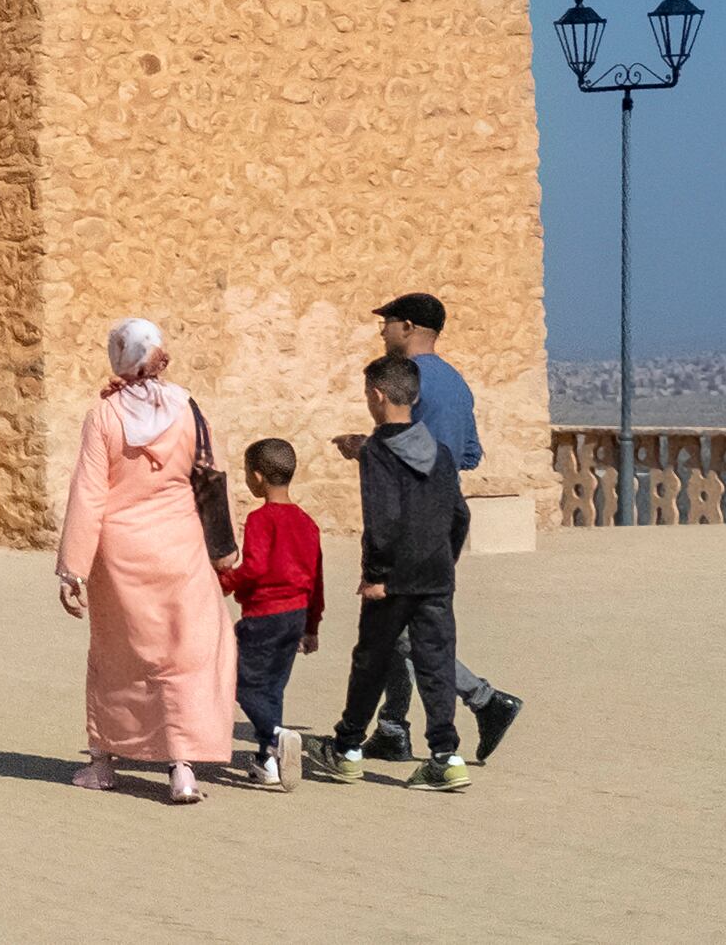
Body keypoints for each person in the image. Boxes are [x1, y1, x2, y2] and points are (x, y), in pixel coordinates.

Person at [54, 316, 239, 805]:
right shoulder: (187, 408)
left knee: (118, 659)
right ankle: (183, 770)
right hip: (181, 547)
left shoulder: (105, 415)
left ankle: (104, 764)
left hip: (121, 554)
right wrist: (224, 553)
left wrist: (73, 566)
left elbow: (90, 493)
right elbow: (209, 475)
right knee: (186, 656)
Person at [338, 293, 526, 762]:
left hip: (412, 522)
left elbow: (410, 458)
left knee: (399, 629)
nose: (382, 334)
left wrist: (372, 451)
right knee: (408, 625)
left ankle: (485, 700)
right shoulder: (458, 384)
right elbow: (468, 454)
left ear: (407, 327)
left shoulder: (414, 380)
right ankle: (392, 726)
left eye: (386, 325)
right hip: (445, 515)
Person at [307, 353, 472, 789]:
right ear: (415, 396)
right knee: (435, 663)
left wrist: (376, 573)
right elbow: (459, 515)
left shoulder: (378, 451)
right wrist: (442, 560)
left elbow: (382, 517)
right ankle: (445, 756)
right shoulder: (440, 452)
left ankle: (346, 748)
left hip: (394, 578)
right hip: (436, 577)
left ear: (377, 397)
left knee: (372, 662)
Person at [216, 437, 324, 788]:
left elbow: (256, 567)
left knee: (238, 679)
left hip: (264, 615)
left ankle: (276, 735)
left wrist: (227, 581)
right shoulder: (307, 523)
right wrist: (312, 626)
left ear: (257, 477)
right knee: (273, 687)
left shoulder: (261, 519)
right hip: (296, 616)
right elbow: (316, 578)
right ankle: (266, 761)